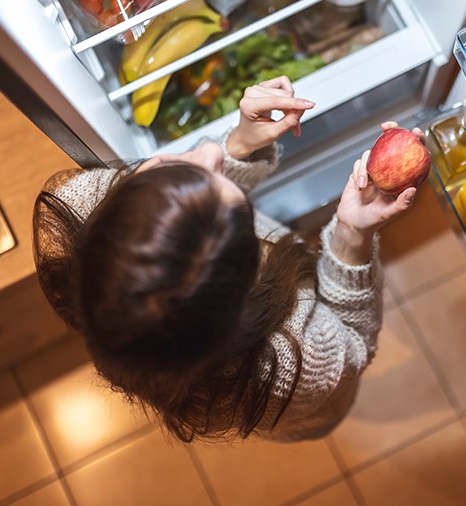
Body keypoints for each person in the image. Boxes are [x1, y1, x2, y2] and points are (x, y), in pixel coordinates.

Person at [33, 76, 421, 442]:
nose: (209, 149)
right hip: (310, 409)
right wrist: (353, 233)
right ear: (246, 272)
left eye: (166, 169)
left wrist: (239, 144)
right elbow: (352, 344)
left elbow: (190, 214)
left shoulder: (79, 205)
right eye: (242, 211)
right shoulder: (291, 363)